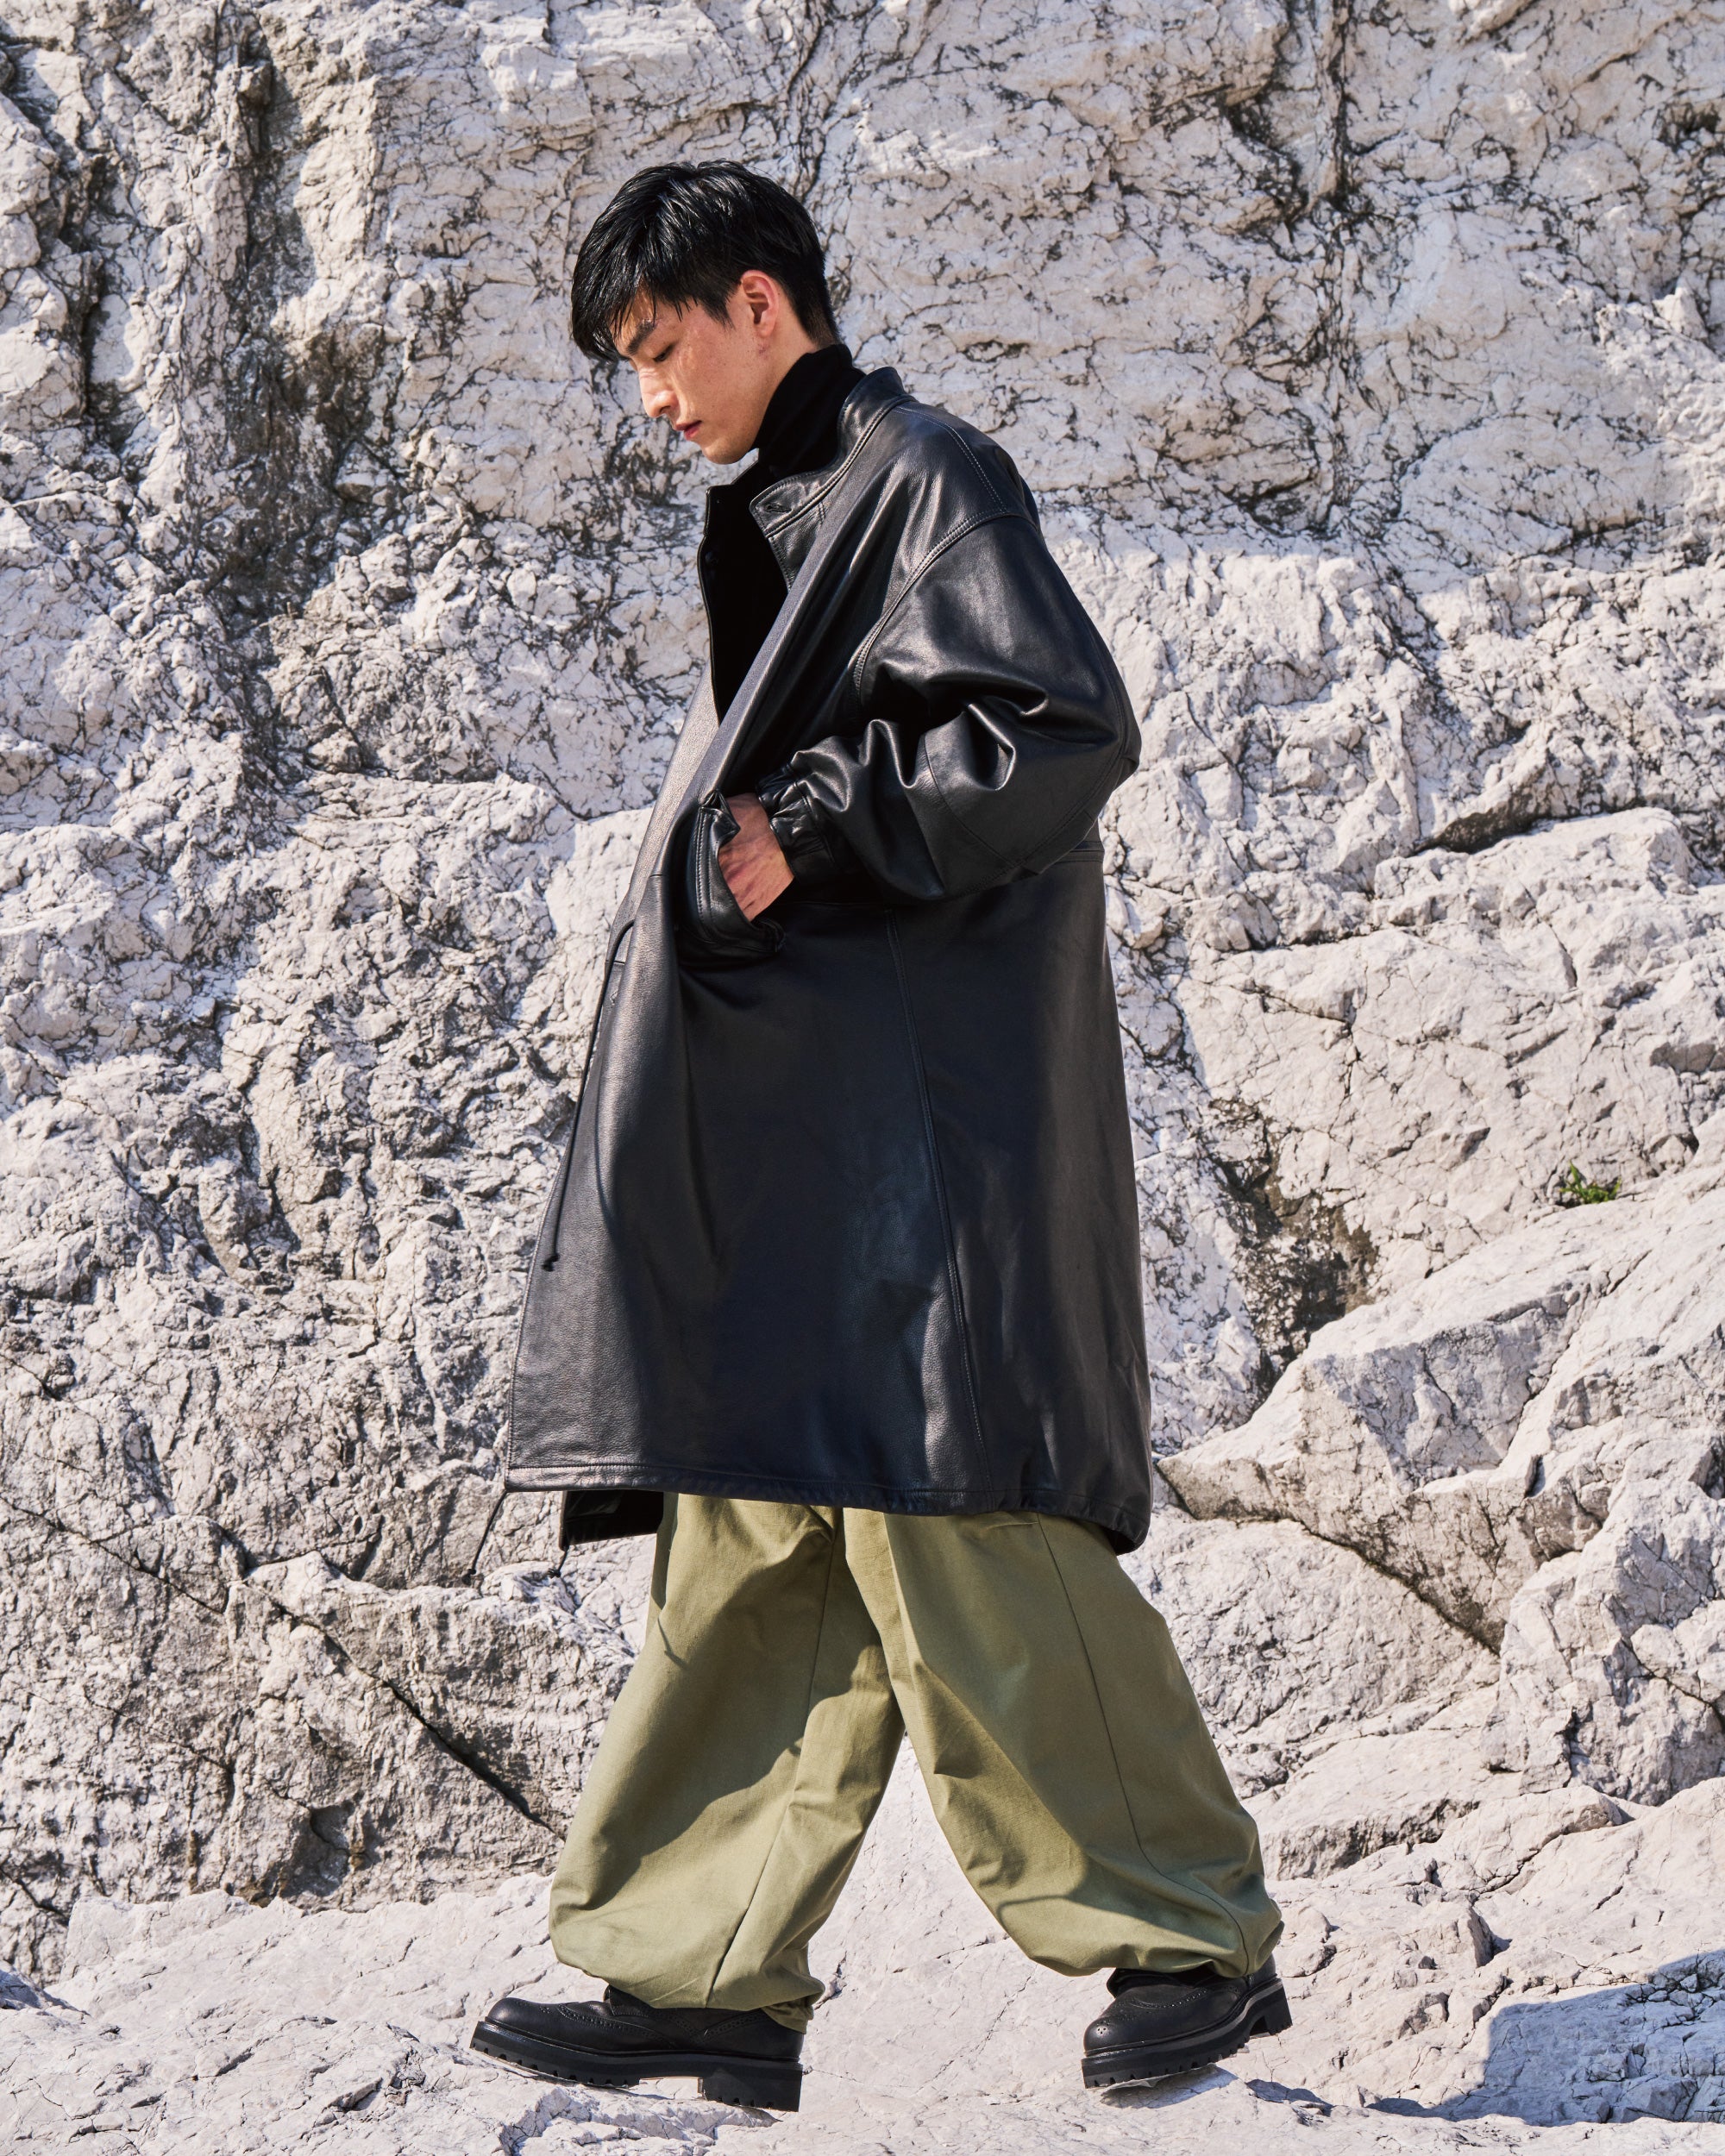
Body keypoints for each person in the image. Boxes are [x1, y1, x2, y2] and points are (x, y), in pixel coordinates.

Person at [472, 161, 1286, 2114]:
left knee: (962, 1521)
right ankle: (697, 1976)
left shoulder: (924, 477)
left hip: (923, 1143)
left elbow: (1060, 729)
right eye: (628, 366)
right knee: (755, 1527)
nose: (651, 397)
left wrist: (816, 814)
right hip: (815, 1146)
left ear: (761, 304)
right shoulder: (790, 502)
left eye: (662, 348)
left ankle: (1192, 1939)